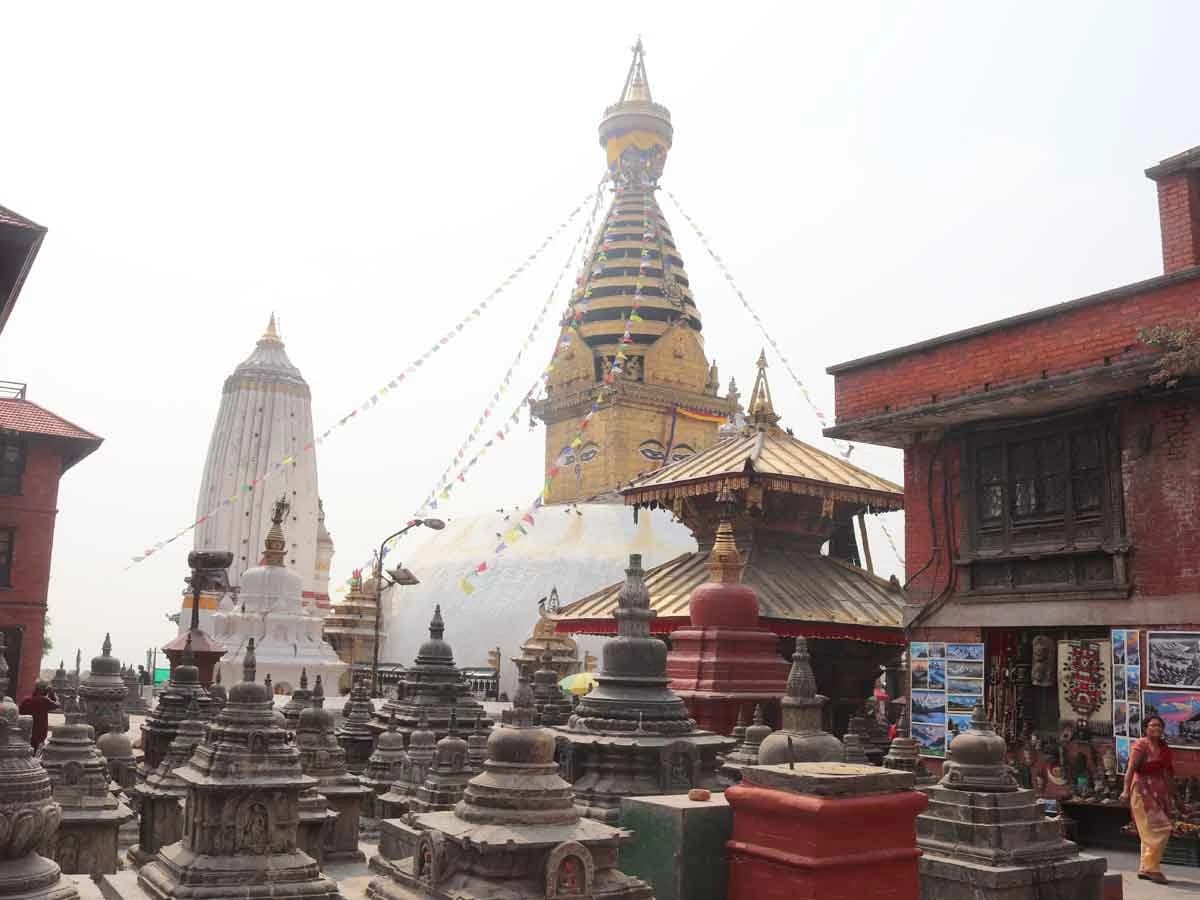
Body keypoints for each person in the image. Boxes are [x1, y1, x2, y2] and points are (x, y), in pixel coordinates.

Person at [1120, 714, 1175, 884]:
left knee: (1150, 832)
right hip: (1142, 792)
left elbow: (1167, 774)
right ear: (1145, 728)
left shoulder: (1164, 748)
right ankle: (1152, 869)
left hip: (1159, 792)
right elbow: (1130, 770)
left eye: (1159, 726)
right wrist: (1125, 791)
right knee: (1160, 830)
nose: (1156, 728)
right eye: (1153, 725)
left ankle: (1145, 867)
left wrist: (1174, 797)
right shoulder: (1140, 745)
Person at [18, 681, 59, 751]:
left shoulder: (26, 700)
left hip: (26, 730)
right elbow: (57, 704)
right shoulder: (45, 701)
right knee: (36, 752)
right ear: (44, 690)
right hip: (40, 732)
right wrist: (52, 694)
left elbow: (20, 711)